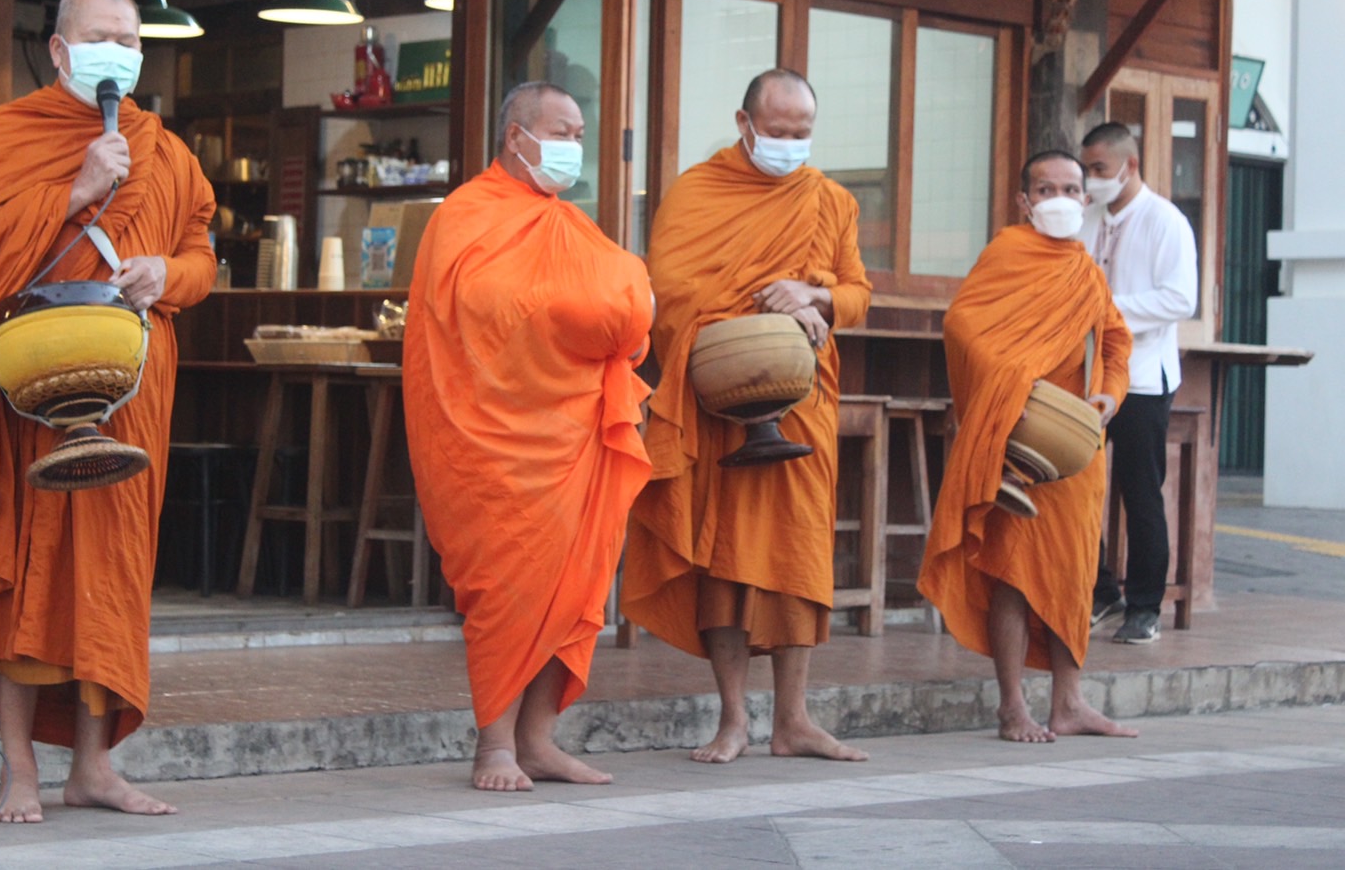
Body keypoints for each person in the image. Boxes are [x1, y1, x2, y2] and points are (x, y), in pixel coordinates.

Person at [0, 0, 217, 822]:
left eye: (130, 40)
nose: (118, 53)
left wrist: (169, 275)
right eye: (101, 37)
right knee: (24, 572)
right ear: (58, 50)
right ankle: (18, 767)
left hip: (130, 392)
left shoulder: (166, 148)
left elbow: (201, 254)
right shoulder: (5, 136)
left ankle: (94, 766)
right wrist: (77, 190)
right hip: (31, 390)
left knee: (111, 575)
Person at [402, 82, 654, 792]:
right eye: (562, 130)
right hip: (490, 439)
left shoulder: (567, 225)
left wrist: (614, 302)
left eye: (579, 133)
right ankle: (494, 747)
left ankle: (538, 739)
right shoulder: (466, 217)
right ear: (516, 136)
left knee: (575, 587)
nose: (574, 145)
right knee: (505, 588)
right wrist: (611, 303)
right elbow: (498, 309)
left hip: (570, 436)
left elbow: (623, 309)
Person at [622, 68, 872, 765]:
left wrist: (815, 299)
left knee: (797, 556)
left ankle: (793, 720)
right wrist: (755, 328)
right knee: (724, 561)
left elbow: (858, 291)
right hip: (721, 401)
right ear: (744, 123)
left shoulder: (830, 200)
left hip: (803, 400)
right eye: (779, 131)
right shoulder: (700, 192)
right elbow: (668, 293)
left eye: (803, 133)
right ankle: (733, 718)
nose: (791, 144)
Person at [918, 150, 1139, 743]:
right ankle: (1013, 706)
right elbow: (962, 327)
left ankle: (1069, 702)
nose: (1061, 199)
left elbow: (1116, 342)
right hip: (1015, 444)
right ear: (1024, 200)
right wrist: (1016, 383)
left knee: (1073, 570)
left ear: (1086, 199)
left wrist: (1108, 397)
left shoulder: (1086, 272)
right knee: (1012, 572)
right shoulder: (1005, 255)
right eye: (1047, 189)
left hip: (1070, 446)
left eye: (1072, 188)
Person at [1079, 122, 1199, 645]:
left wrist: (1109, 310)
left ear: (1129, 166)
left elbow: (1180, 300)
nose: (1090, 179)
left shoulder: (1165, 221)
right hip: (1087, 378)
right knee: (1072, 482)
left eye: (1099, 170)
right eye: (1086, 169)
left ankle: (1145, 608)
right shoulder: (1086, 218)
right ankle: (1102, 590)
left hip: (1144, 378)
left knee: (1139, 492)